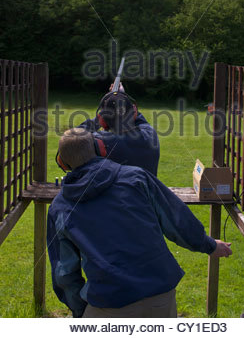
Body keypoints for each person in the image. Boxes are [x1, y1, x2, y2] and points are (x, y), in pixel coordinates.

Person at [47, 128, 232, 319]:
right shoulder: (137, 178)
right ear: (100, 147)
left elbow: (64, 274)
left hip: (107, 304)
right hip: (160, 296)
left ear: (62, 163)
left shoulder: (59, 208)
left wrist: (80, 310)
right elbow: (177, 220)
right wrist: (209, 245)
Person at [77, 83, 160, 176]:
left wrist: (99, 118)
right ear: (134, 112)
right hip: (146, 190)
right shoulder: (150, 134)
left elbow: (73, 139)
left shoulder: (101, 141)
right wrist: (122, 97)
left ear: (103, 121)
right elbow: (137, 116)